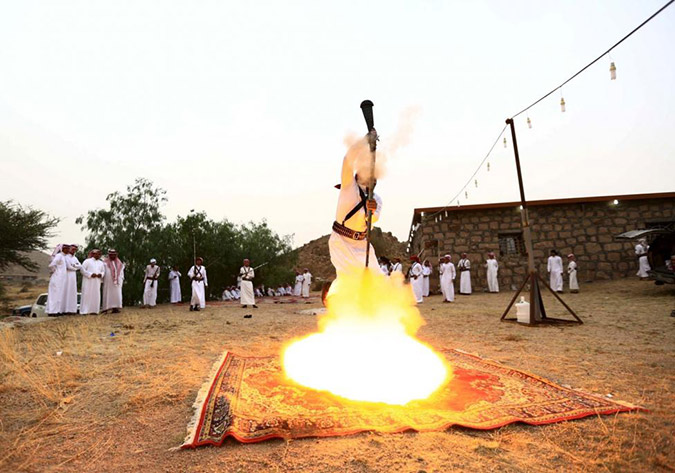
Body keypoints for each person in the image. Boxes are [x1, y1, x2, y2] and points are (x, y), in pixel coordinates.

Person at [329, 137, 382, 276]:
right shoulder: (348, 185)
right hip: (341, 242)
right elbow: (347, 160)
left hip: (362, 244)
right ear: (358, 175)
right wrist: (365, 140)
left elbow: (373, 220)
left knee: (377, 278)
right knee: (349, 281)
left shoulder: (377, 199)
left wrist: (371, 211)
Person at [80, 249, 105, 315]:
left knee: (96, 295)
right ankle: (85, 311)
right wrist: (90, 274)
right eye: (97, 254)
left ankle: (95, 310)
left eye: (100, 254)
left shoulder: (101, 263)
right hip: (88, 281)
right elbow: (82, 270)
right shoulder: (87, 261)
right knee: (87, 294)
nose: (99, 255)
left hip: (97, 281)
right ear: (93, 254)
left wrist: (101, 274)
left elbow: (103, 271)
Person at [47, 244, 69, 316]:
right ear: (62, 249)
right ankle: (52, 311)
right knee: (54, 295)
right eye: (66, 248)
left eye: (68, 248)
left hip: (61, 279)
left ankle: (57, 310)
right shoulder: (59, 256)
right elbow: (51, 265)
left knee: (59, 294)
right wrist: (55, 272)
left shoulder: (64, 257)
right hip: (57, 278)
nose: (68, 250)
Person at [102, 249, 125, 313]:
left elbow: (121, 272)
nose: (112, 256)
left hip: (117, 282)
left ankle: (115, 308)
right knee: (107, 294)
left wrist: (121, 279)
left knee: (117, 294)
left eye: (114, 254)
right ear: (109, 255)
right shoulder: (105, 262)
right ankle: (105, 309)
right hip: (108, 281)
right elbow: (102, 271)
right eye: (111, 255)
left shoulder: (119, 263)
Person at [64, 244, 81, 314]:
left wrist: (74, 266)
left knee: (72, 292)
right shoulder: (65, 257)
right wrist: (75, 267)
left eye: (75, 250)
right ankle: (66, 309)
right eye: (73, 249)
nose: (74, 251)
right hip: (67, 275)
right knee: (67, 291)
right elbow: (68, 266)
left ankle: (72, 310)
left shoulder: (75, 258)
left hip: (73, 276)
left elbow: (80, 266)